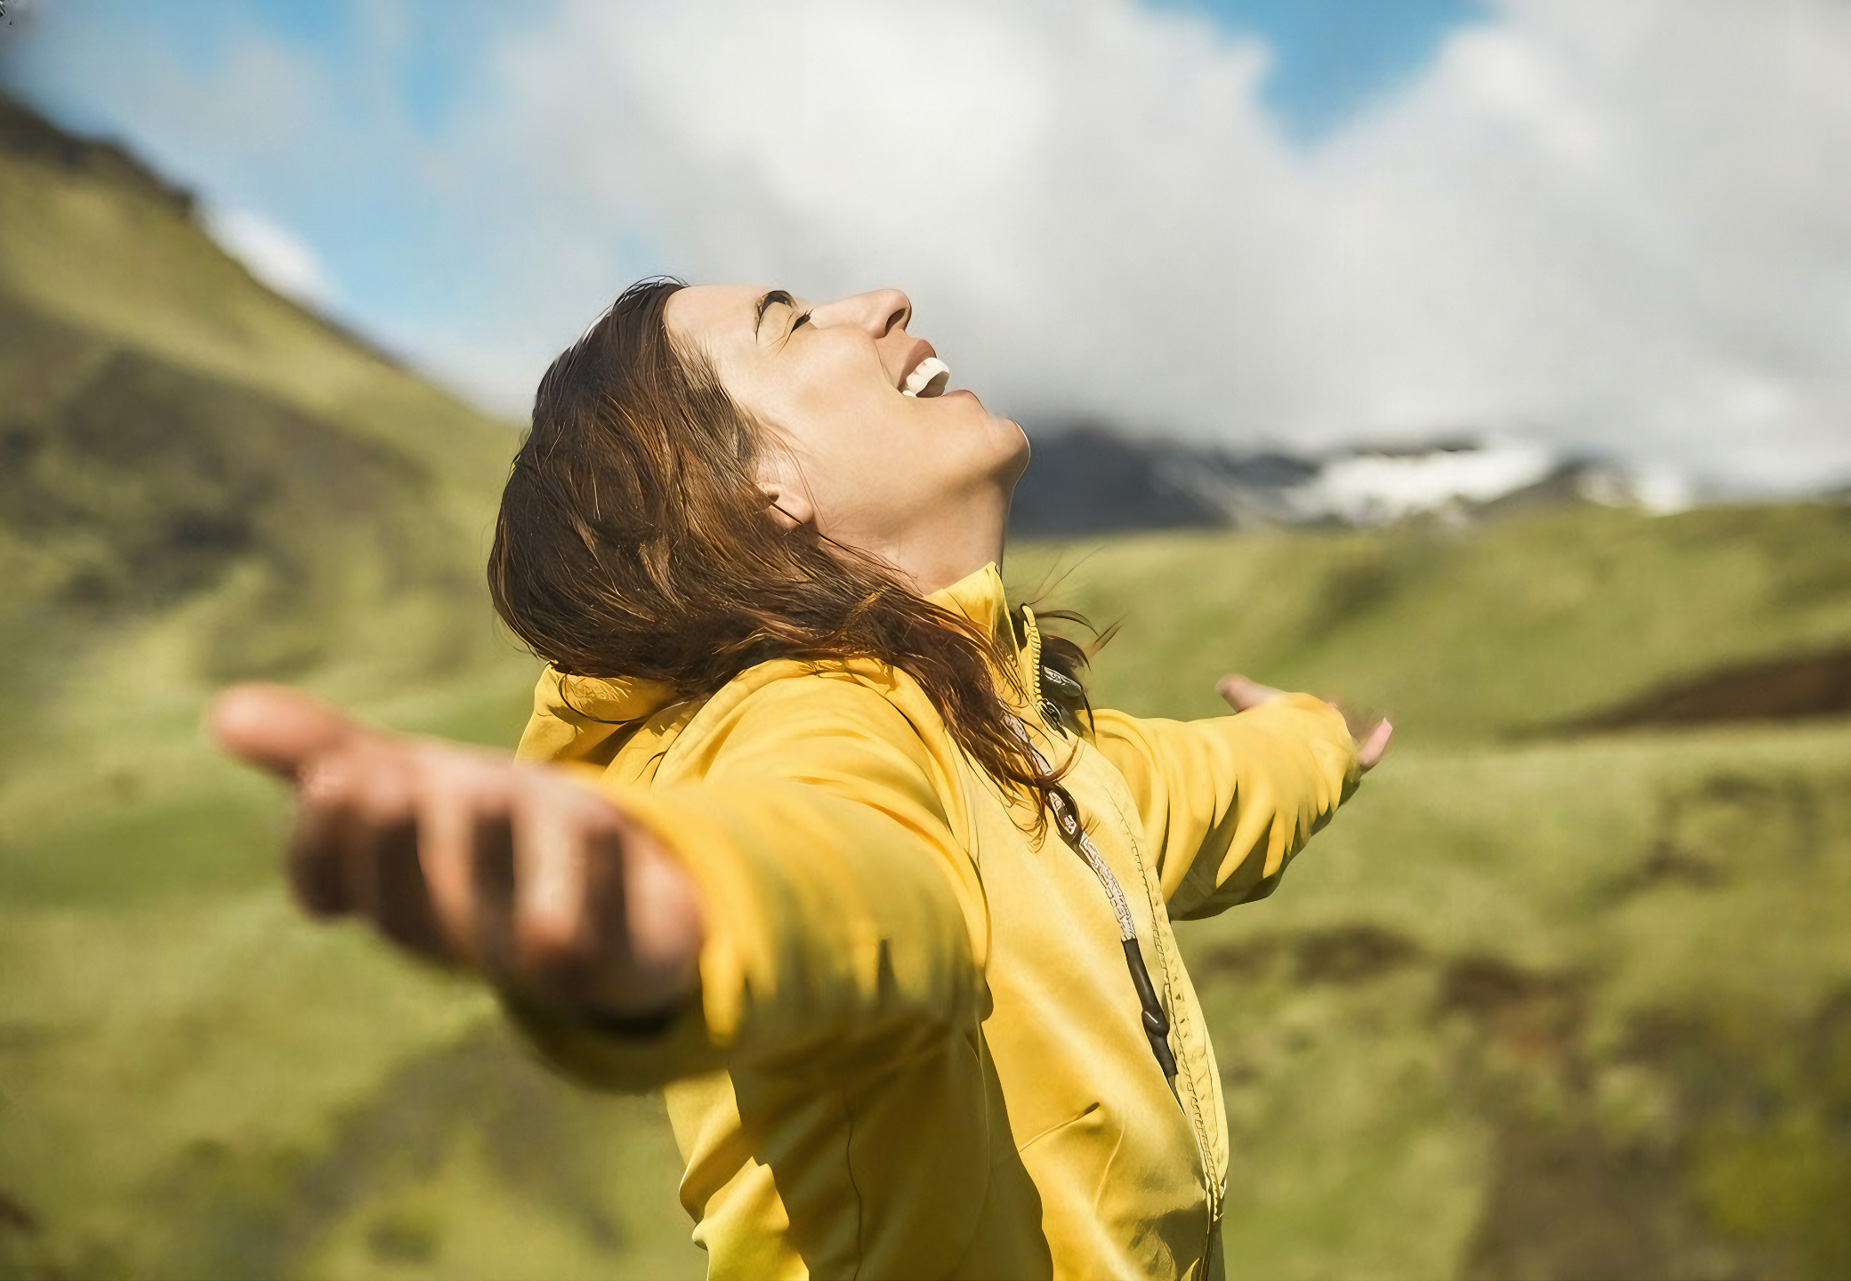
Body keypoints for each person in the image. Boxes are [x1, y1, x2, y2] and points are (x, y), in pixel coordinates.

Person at [212, 279, 1391, 1280]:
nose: (881, 303)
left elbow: (1181, 791)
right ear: (759, 489)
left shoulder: (1007, 735)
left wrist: (1311, 740)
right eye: (787, 322)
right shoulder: (814, 716)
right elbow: (838, 871)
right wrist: (675, 912)